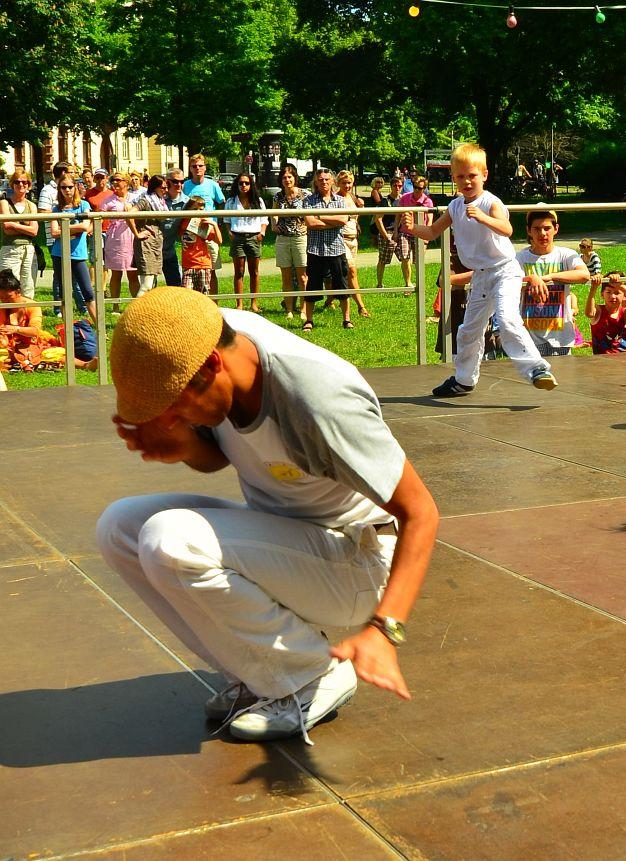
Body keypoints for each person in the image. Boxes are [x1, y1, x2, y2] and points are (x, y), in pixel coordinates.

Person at [95, 286, 440, 743]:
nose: (172, 418)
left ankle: (310, 677)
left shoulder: (317, 398)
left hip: (359, 561)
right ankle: (261, 674)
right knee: (119, 528)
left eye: (174, 407)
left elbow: (421, 512)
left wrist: (384, 630)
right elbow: (222, 454)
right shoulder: (203, 339)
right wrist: (184, 447)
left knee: (170, 540)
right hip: (292, 541)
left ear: (211, 366)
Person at [411, 143, 558, 396]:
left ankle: (537, 369)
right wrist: (412, 228)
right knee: (468, 330)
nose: (467, 181)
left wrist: (483, 217)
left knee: (508, 319)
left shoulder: (491, 202)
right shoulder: (455, 206)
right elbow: (433, 231)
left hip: (505, 271)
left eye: (472, 175)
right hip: (480, 276)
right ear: (453, 178)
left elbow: (507, 229)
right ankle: (464, 379)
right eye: (460, 177)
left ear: (484, 175)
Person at [516, 210, 589, 357]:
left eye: (547, 228)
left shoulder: (566, 254)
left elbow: (584, 274)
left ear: (556, 229)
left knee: (562, 371)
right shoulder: (520, 257)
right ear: (528, 231)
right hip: (530, 337)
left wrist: (549, 277)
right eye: (537, 229)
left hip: (561, 337)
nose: (542, 233)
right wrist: (531, 278)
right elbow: (509, 281)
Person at [300, 169, 352, 332]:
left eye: (327, 179)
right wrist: (331, 220)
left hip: (336, 249)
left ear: (332, 181)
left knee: (342, 285)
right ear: (316, 182)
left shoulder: (340, 200)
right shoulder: (308, 201)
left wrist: (319, 216)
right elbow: (310, 223)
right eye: (320, 179)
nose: (324, 182)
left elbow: (343, 220)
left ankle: (346, 319)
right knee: (312, 287)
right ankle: (309, 320)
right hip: (315, 250)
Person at [48, 178, 96, 322]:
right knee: (63, 292)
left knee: (88, 291)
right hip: (59, 254)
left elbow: (85, 226)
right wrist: (75, 229)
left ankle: (100, 327)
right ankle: (68, 328)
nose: (67, 190)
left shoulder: (84, 205)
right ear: (59, 189)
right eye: (63, 187)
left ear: (75, 187)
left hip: (78, 255)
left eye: (70, 187)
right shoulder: (56, 209)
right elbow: (54, 232)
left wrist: (63, 228)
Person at [182, 154, 227, 295]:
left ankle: (213, 303)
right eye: (194, 166)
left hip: (208, 231)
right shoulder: (185, 186)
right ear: (190, 168)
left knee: (211, 270)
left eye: (200, 165)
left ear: (205, 167)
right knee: (190, 271)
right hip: (191, 232)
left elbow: (222, 202)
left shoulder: (212, 185)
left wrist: (216, 222)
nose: (197, 168)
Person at [332, 170, 370, 321]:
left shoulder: (353, 197)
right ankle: (361, 306)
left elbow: (355, 219)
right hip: (341, 239)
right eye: (344, 183)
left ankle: (330, 299)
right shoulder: (336, 199)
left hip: (353, 239)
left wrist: (360, 208)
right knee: (352, 272)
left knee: (343, 274)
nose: (347, 186)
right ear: (338, 183)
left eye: (349, 183)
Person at [227, 173, 268, 313]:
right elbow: (226, 220)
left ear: (251, 185)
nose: (244, 186)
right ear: (237, 185)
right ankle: (239, 304)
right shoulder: (231, 201)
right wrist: (230, 233)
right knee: (239, 272)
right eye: (241, 183)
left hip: (254, 237)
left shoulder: (258, 201)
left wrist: (262, 233)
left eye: (246, 183)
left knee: (254, 271)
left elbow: (264, 219)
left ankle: (254, 303)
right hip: (237, 237)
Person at [272, 164, 307, 321]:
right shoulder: (278, 196)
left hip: (301, 238)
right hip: (283, 239)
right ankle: (289, 310)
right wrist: (274, 224)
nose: (287, 180)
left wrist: (307, 225)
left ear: (295, 178)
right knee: (286, 276)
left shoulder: (305, 194)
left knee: (302, 277)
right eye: (284, 177)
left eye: (289, 177)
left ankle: (304, 309)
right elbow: (273, 213)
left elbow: (312, 213)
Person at [0, 167, 39, 298]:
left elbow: (34, 231)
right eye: (17, 182)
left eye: (24, 182)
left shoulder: (32, 205)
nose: (21, 184)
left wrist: (13, 224)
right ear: (12, 184)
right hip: (10, 250)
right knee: (8, 289)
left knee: (28, 289)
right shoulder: (4, 203)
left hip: (29, 250)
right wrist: (25, 227)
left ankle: (26, 311)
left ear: (29, 184)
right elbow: (6, 229)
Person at [101, 173, 140, 303]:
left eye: (118, 180)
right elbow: (99, 216)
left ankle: (136, 304)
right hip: (115, 239)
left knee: (133, 274)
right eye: (113, 180)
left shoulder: (135, 198)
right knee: (116, 274)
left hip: (132, 237)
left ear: (126, 182)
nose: (115, 182)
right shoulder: (108, 200)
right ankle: (115, 306)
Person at [130, 174, 169, 295]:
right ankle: (136, 307)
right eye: (163, 188)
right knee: (146, 285)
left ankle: (148, 307)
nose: (166, 190)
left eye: (166, 187)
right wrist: (137, 234)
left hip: (155, 244)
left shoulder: (160, 202)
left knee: (152, 285)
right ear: (155, 187)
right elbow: (129, 214)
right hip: (145, 245)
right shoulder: (145, 200)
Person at [586, 271, 626, 354]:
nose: (612, 296)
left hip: (621, 359)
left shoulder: (625, 313)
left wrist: (621, 285)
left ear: (625, 296)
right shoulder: (598, 311)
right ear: (602, 294)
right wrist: (594, 288)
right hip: (600, 360)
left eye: (617, 293)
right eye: (608, 292)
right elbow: (589, 313)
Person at [396, 174, 433, 296]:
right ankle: (408, 284)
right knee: (405, 257)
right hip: (405, 232)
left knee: (418, 261)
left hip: (420, 233)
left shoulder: (427, 201)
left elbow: (430, 219)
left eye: (420, 188)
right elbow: (398, 215)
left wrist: (427, 236)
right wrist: (396, 230)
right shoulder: (405, 198)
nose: (417, 190)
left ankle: (419, 284)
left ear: (424, 189)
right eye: (415, 187)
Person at [179, 197, 222, 295]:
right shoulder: (183, 222)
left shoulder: (204, 224)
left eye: (201, 209)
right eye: (194, 209)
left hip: (203, 265)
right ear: (188, 209)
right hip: (188, 265)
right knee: (187, 294)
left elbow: (219, 240)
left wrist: (214, 224)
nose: (198, 212)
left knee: (203, 295)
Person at [368, 177, 398, 290]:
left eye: (381, 182)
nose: (380, 184)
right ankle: (379, 283)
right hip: (378, 221)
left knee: (405, 257)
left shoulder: (383, 194)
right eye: (377, 182)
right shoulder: (376, 193)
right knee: (382, 257)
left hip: (392, 227)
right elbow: (377, 203)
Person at [161, 170, 188, 287]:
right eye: (175, 182)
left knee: (176, 285)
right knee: (148, 286)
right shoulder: (158, 199)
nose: (179, 184)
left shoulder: (187, 203)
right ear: (167, 182)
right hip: (152, 250)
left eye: (182, 181)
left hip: (169, 251)